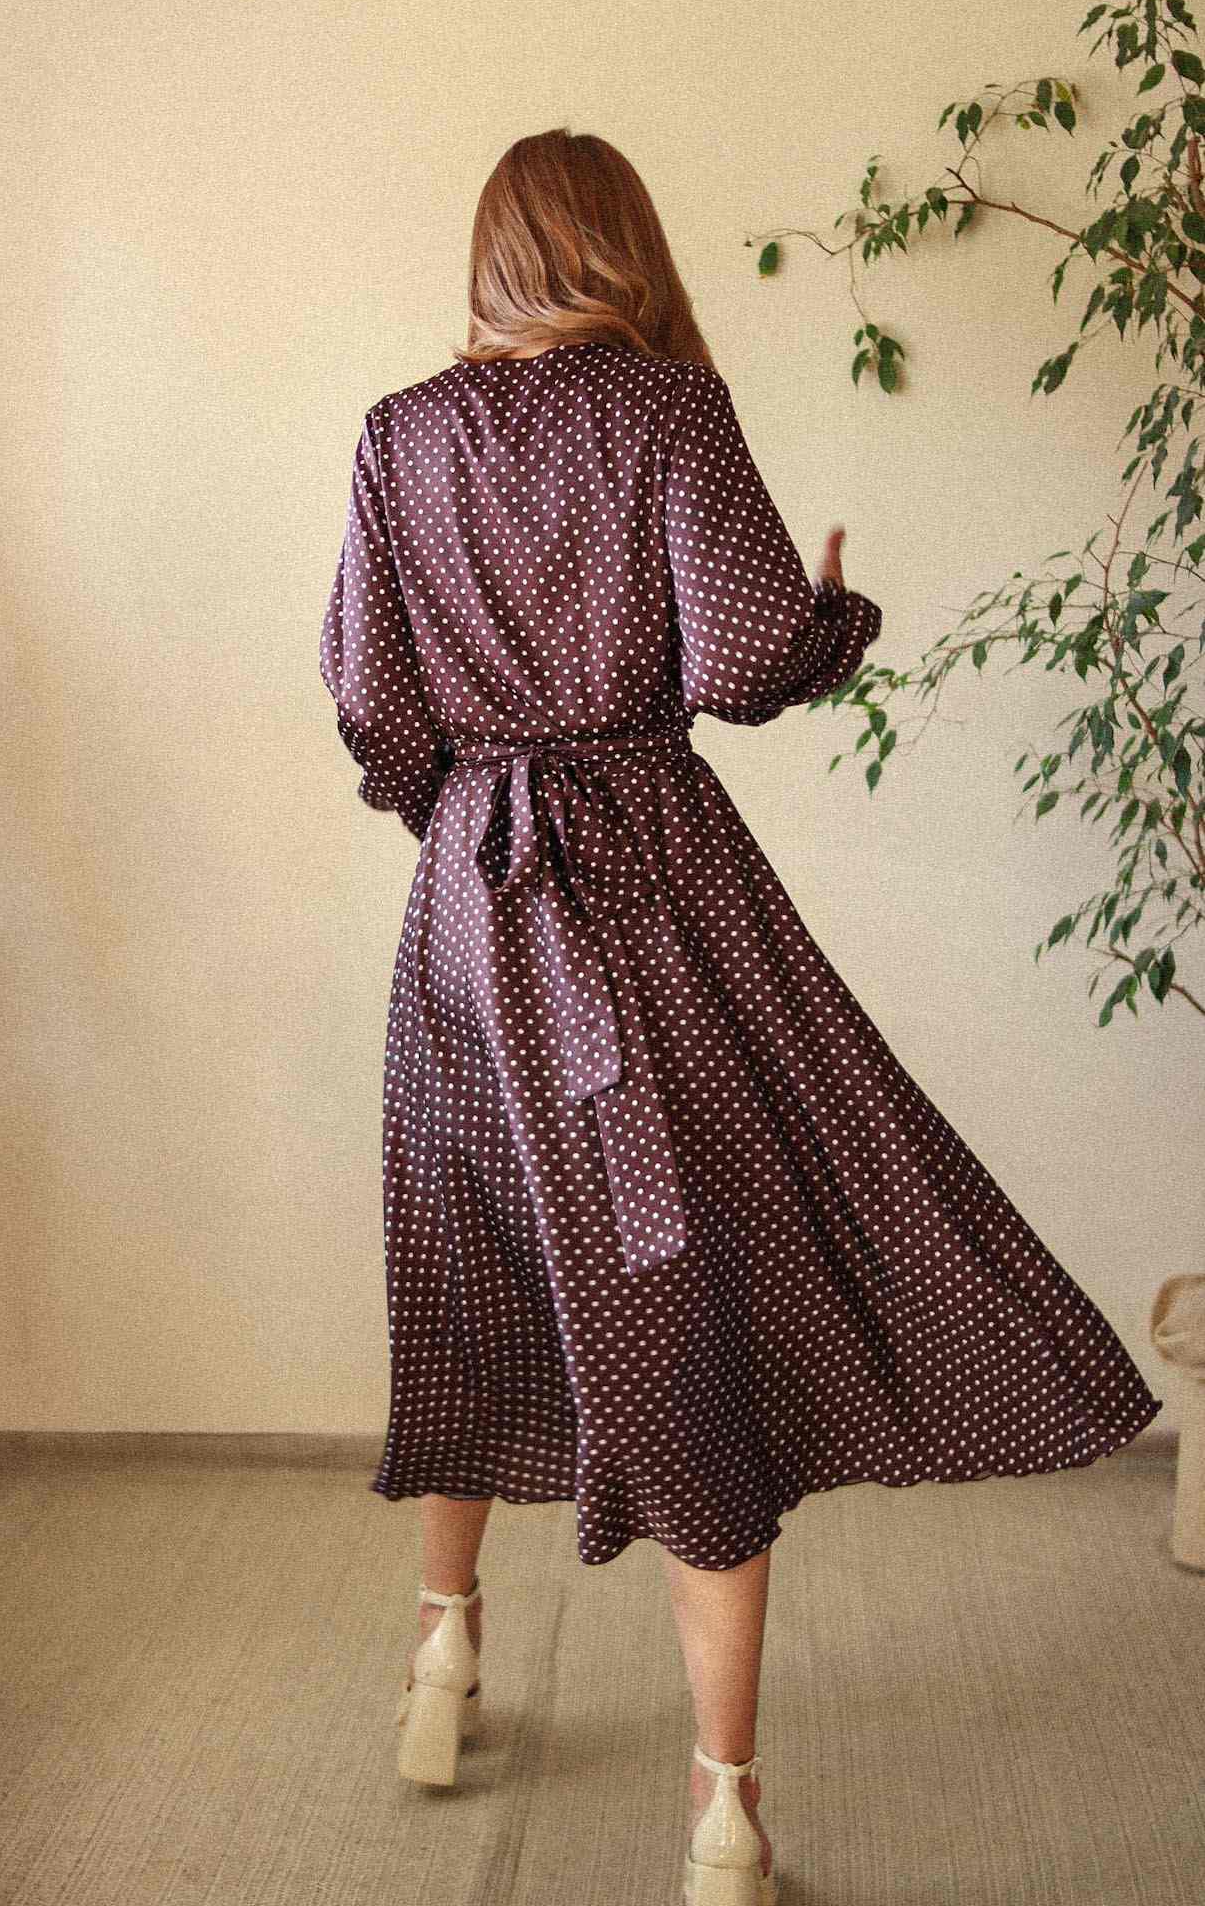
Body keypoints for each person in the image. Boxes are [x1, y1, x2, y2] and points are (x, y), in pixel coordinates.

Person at [317, 125, 1162, 1906]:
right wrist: (831, 616)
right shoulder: (665, 409)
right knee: (681, 1305)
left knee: (472, 1268)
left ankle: (441, 1657)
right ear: (624, 247)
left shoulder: (398, 433)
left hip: (471, 907)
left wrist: (472, 823)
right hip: (653, 894)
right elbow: (741, 663)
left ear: (493, 256)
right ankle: (721, 1817)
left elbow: (375, 713)